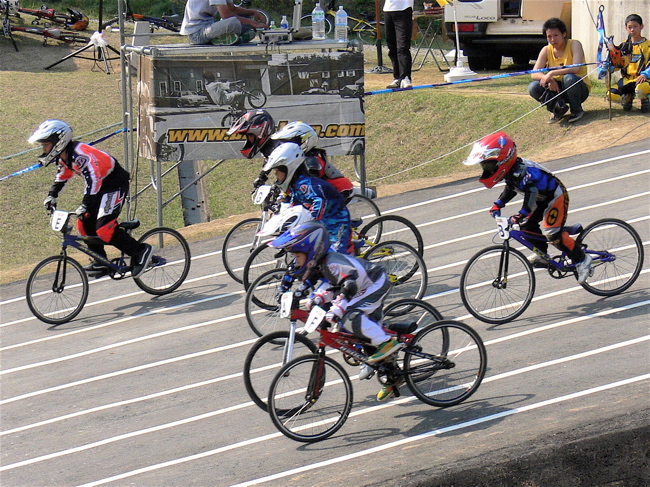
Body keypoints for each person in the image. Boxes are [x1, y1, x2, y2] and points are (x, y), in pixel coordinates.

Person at [269, 221, 403, 401]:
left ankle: (386, 343)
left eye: (297, 256)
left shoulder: (332, 263)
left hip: (373, 284)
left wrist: (338, 308)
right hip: (359, 287)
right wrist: (314, 299)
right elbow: (327, 286)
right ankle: (392, 376)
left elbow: (348, 285)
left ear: (311, 251)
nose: (295, 260)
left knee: (350, 316)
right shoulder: (319, 263)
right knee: (353, 328)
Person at [29, 120, 153, 279]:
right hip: (100, 187)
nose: (44, 148)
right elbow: (63, 176)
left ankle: (141, 251)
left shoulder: (81, 155)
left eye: (45, 144)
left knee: (104, 228)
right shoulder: (65, 157)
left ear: (58, 142)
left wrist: (86, 204)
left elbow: (94, 180)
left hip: (114, 184)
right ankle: (101, 261)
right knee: (83, 223)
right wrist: (52, 195)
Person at [463, 131, 592, 284]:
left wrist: (521, 213)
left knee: (553, 234)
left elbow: (531, 193)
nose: (487, 169)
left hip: (554, 197)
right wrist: (498, 204)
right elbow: (511, 188)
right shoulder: (512, 171)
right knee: (526, 227)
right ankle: (543, 255)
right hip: (540, 199)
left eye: (489, 165)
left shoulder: (523, 172)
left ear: (503, 160)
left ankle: (582, 259)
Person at [227, 112, 354, 199]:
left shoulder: (311, 160)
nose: (248, 140)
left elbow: (312, 184)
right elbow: (269, 163)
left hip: (335, 189)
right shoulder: (269, 148)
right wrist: (261, 178)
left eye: (249, 136)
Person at [264, 142, 352, 254]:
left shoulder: (305, 185)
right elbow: (294, 207)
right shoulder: (296, 185)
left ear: (288, 168)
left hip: (336, 222)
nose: (276, 175)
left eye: (277, 171)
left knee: (335, 260)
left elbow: (319, 202)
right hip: (324, 225)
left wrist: (309, 224)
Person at [528, 17, 591, 123]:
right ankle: (557, 110)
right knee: (533, 87)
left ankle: (576, 110)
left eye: (556, 35)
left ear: (564, 34)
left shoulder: (574, 44)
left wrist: (551, 73)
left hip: (578, 88)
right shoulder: (546, 50)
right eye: (549, 36)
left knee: (569, 78)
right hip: (557, 88)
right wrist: (548, 79)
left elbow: (576, 68)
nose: (553, 39)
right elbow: (534, 73)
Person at [605, 14, 650, 113]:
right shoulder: (623, 45)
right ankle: (628, 98)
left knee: (641, 89)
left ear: (641, 26)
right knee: (610, 94)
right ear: (626, 28)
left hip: (643, 80)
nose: (632, 30)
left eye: (635, 26)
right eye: (630, 27)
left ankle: (645, 99)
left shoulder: (648, 45)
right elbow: (617, 64)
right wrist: (609, 67)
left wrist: (645, 74)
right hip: (627, 80)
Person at [179, 0, 267, 46]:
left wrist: (253, 12)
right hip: (197, 33)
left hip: (208, 27)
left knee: (244, 21)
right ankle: (236, 38)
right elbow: (226, 15)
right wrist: (252, 22)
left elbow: (233, 9)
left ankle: (227, 38)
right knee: (233, 22)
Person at [384, 0, 414, 89]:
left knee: (402, 46)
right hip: (388, 10)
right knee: (391, 46)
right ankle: (397, 77)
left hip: (403, 9)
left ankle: (405, 77)